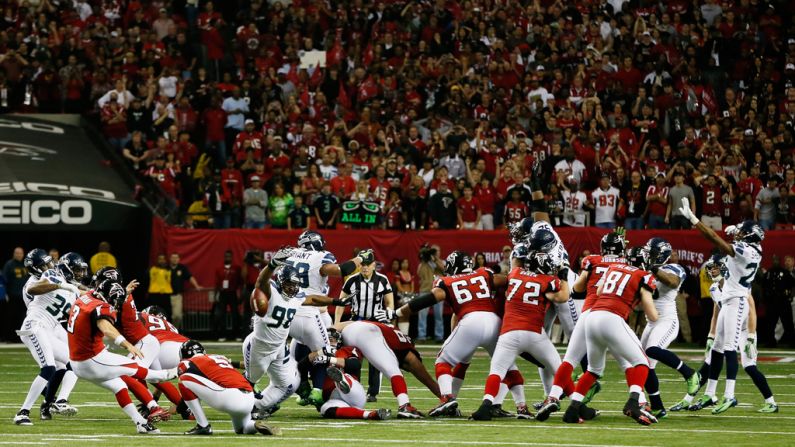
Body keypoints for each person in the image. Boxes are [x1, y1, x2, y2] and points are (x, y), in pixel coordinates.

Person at [395, 251, 527, 419]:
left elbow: (428, 299)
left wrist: (398, 312)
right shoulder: (484, 273)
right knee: (507, 366)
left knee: (443, 361)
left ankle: (447, 398)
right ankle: (522, 406)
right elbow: (507, 281)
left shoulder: (447, 281)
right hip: (494, 321)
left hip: (471, 321)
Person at [679, 199, 765, 414]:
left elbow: (716, 239)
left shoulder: (746, 250)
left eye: (742, 233)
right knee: (717, 350)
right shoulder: (754, 247)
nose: (738, 235)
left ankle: (730, 395)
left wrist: (695, 221)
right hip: (729, 301)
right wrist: (738, 228)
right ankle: (710, 393)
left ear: (748, 237)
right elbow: (740, 236)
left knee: (728, 350)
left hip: (737, 302)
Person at [535, 231, 628, 422]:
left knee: (569, 359)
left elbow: (577, 289)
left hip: (589, 314)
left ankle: (552, 397)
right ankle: (641, 401)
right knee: (629, 361)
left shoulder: (591, 260)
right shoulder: (627, 265)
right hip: (612, 315)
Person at [562, 247, 658, 426]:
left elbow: (598, 292)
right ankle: (633, 403)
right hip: (612, 318)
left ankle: (573, 408)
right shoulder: (644, 276)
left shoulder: (613, 268)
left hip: (592, 317)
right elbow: (652, 315)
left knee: (593, 370)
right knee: (642, 362)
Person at [470, 249, 570, 421]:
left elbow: (514, 267)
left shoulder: (515, 273)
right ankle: (577, 405)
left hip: (509, 332)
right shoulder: (548, 280)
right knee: (559, 369)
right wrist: (564, 277)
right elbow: (562, 297)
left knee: (497, 371)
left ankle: (486, 405)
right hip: (534, 333)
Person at [67, 279, 176, 434]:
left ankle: (141, 423)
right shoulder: (100, 306)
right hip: (91, 359)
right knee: (130, 367)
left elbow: (90, 295)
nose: (116, 304)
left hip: (77, 361)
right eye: (115, 299)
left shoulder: (87, 297)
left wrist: (122, 291)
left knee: (120, 387)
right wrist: (127, 344)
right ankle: (164, 375)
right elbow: (105, 327)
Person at [289, 234, 372, 407]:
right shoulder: (319, 257)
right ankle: (318, 390)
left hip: (292, 311)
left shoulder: (291, 254)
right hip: (313, 312)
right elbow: (341, 270)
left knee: (295, 353)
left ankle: (304, 386)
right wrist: (360, 258)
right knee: (323, 351)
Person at [15, 250, 80, 425]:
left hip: (50, 325)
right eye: (45, 265)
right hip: (35, 326)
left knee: (73, 363)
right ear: (36, 269)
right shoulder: (39, 280)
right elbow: (33, 289)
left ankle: (57, 402)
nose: (50, 266)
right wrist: (61, 286)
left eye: (50, 262)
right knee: (49, 368)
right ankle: (23, 412)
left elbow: (76, 297)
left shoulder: (60, 279)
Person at [640, 238, 701, 418]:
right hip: (651, 321)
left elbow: (673, 282)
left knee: (652, 349)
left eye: (650, 252)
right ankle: (658, 407)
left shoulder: (675, 268)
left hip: (667, 320)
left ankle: (690, 374)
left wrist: (652, 268)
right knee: (643, 364)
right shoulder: (643, 268)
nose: (647, 255)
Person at [336, 320, 441, 418]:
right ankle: (405, 406)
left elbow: (346, 324)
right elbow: (427, 379)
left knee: (347, 365)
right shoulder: (406, 349)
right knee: (394, 371)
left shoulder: (388, 330)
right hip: (369, 333)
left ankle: (333, 392)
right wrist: (444, 397)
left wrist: (329, 330)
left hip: (348, 332)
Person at [178, 340, 281, 436]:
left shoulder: (188, 363)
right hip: (249, 398)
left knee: (183, 379)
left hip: (230, 397)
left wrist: (179, 408)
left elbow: (171, 376)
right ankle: (254, 425)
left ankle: (203, 425)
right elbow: (243, 365)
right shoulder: (219, 357)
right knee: (241, 429)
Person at [336, 252, 394, 403]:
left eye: (368, 264)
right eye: (362, 264)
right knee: (354, 356)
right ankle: (355, 388)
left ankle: (372, 392)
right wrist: (337, 323)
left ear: (374, 264)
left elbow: (389, 302)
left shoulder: (382, 280)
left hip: (375, 323)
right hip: (356, 321)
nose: (365, 267)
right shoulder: (351, 280)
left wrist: (388, 315)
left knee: (375, 358)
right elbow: (340, 302)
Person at [416, 245, 445, 342]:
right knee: (422, 315)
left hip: (438, 290)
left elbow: (444, 269)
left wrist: (436, 259)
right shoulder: (424, 263)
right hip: (425, 290)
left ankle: (439, 336)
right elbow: (418, 273)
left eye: (437, 251)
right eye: (434, 251)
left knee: (438, 315)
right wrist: (425, 258)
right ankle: (421, 336)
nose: (435, 253)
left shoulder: (441, 262)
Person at [213, 251, 242, 342]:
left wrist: (240, 294)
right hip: (223, 294)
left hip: (232, 293)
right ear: (224, 257)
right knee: (222, 315)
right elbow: (217, 284)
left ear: (232, 257)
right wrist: (215, 295)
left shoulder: (236, 268)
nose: (227, 258)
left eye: (229, 256)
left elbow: (240, 282)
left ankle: (236, 335)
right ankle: (222, 335)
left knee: (235, 315)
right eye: (226, 256)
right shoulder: (219, 269)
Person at [168, 253, 201, 330]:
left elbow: (190, 277)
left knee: (177, 316)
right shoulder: (166, 268)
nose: (174, 259)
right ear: (170, 259)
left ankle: (174, 331)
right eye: (173, 257)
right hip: (165, 296)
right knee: (167, 316)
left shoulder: (182, 268)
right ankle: (166, 333)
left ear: (179, 259)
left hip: (177, 296)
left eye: (176, 258)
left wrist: (197, 286)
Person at [3, 247, 29, 342]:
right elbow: (4, 280)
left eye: (20, 253)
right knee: (11, 317)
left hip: (23, 297)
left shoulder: (25, 265)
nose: (19, 255)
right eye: (17, 253)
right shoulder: (9, 265)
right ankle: (9, 338)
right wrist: (5, 293)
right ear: (14, 254)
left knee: (22, 318)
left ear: (23, 254)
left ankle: (21, 338)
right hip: (12, 295)